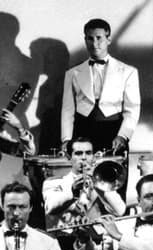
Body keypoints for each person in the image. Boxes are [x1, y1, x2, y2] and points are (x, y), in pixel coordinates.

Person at [60, 18, 141, 154]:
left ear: (108, 40)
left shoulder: (128, 72)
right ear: (85, 40)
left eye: (99, 38)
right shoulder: (72, 73)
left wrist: (123, 136)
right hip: (82, 132)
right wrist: (66, 139)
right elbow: (67, 110)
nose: (94, 43)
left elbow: (132, 109)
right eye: (90, 38)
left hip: (114, 132)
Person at [42, 137, 127, 225]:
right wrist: (72, 192)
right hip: (65, 232)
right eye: (78, 153)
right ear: (69, 157)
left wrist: (98, 184)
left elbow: (120, 211)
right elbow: (49, 208)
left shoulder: (102, 182)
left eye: (88, 153)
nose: (84, 158)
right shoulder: (53, 183)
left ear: (93, 156)